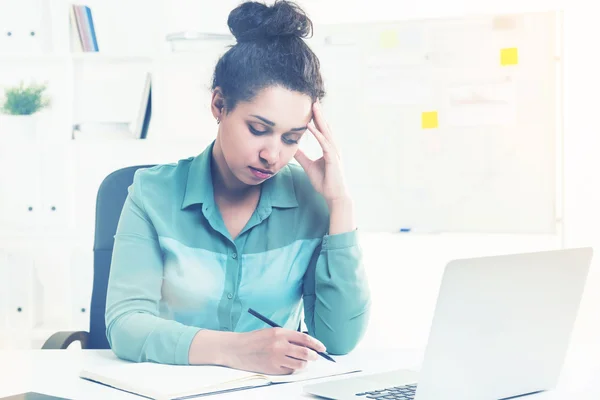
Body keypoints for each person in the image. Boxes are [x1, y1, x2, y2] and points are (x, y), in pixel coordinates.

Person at [105, 0, 371, 375]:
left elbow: (339, 340)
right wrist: (237, 349)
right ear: (219, 104)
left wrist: (340, 205)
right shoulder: (151, 194)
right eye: (258, 129)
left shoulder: (311, 200)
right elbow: (126, 325)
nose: (272, 155)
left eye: (292, 138)